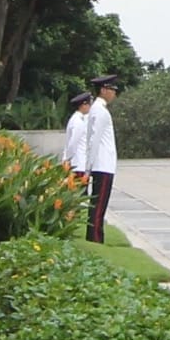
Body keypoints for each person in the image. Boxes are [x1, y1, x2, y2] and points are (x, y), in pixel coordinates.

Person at [62, 76, 121, 240]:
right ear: (103, 90)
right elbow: (94, 140)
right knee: (98, 206)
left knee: (98, 206)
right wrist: (88, 168)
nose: (114, 94)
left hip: (104, 164)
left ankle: (95, 236)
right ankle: (95, 238)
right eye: (112, 90)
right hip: (102, 164)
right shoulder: (100, 111)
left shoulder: (98, 110)